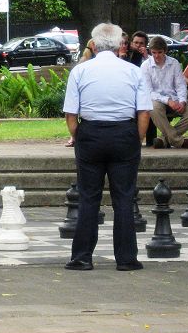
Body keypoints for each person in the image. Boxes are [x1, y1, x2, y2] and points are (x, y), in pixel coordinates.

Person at [63, 22, 151, 271]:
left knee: (88, 198)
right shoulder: (134, 71)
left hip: (90, 132)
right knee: (123, 198)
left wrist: (80, 135)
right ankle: (126, 259)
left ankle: (81, 257)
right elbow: (143, 112)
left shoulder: (80, 71)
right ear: (119, 45)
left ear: (93, 44)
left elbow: (71, 114)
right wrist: (137, 138)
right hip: (124, 132)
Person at [140, 36, 188, 149]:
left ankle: (165, 140)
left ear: (165, 51)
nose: (156, 56)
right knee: (153, 107)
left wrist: (182, 101)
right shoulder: (145, 66)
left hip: (175, 99)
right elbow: (148, 92)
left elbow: (181, 85)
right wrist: (168, 101)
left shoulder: (174, 63)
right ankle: (179, 141)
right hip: (157, 100)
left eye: (159, 52)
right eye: (154, 52)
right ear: (150, 52)